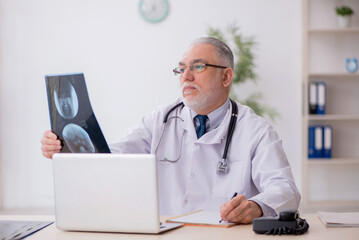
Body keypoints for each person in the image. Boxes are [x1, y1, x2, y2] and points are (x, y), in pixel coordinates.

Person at [41, 37, 300, 224]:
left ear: (226, 77)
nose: (185, 76)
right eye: (181, 68)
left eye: (198, 67)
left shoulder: (256, 130)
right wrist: (67, 148)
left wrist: (255, 207)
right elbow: (112, 157)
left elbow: (285, 190)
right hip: (167, 232)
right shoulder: (160, 120)